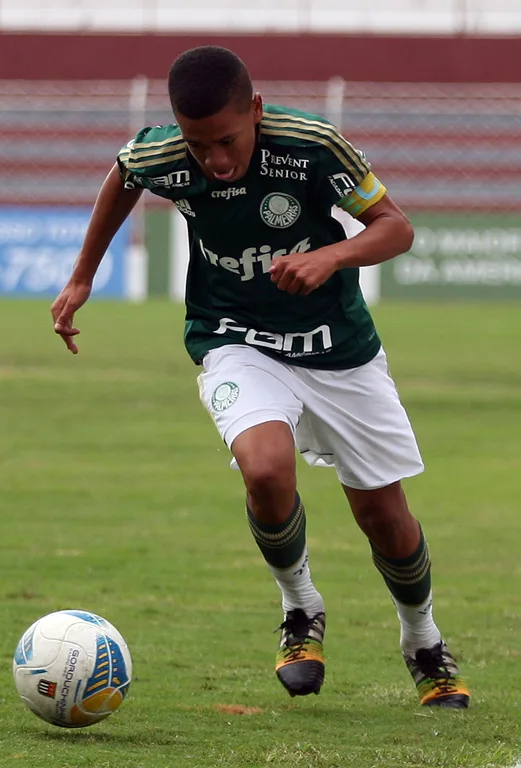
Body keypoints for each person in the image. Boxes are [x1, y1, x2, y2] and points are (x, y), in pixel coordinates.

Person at [51, 45, 470, 708]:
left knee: (383, 516)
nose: (213, 160)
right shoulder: (161, 153)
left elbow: (396, 229)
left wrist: (329, 256)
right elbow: (124, 176)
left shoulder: (311, 145)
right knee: (266, 469)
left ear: (255, 109)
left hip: (337, 350)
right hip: (235, 340)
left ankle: (421, 639)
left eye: (225, 140)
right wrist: (81, 277)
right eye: (197, 145)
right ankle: (300, 608)